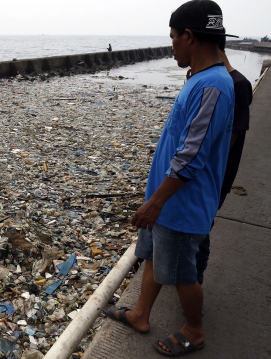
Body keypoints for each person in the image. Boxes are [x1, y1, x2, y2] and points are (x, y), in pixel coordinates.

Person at [103, 0, 238, 356]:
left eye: (174, 37)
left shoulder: (214, 87)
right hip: (167, 202)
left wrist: (156, 202)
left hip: (181, 206)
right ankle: (140, 314)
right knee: (153, 257)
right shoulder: (202, 79)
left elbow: (191, 157)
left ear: (189, 36)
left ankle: (195, 330)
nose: (172, 45)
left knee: (182, 272)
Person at [194, 33, 253, 284]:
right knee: (198, 228)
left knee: (201, 230)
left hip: (216, 175)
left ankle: (194, 282)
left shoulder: (236, 84)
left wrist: (196, 169)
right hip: (204, 173)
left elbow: (230, 138)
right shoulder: (213, 80)